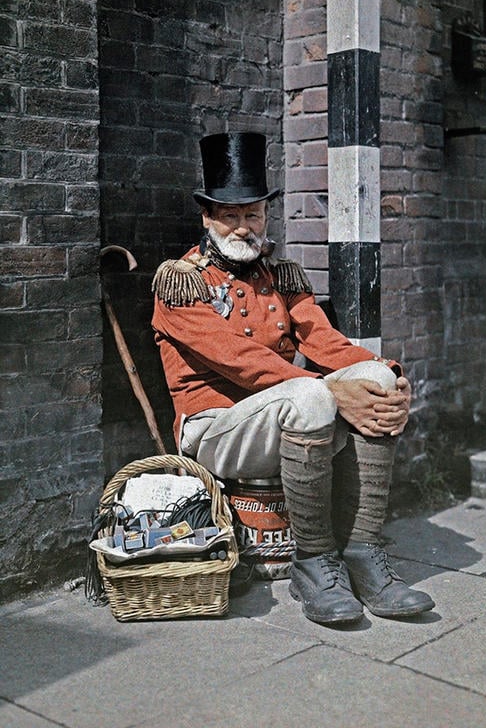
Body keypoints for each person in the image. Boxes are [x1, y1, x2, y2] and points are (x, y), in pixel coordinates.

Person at [151, 132, 435, 626]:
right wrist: (331, 390)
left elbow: (324, 340)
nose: (244, 228)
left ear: (266, 216)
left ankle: (364, 551)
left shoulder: (281, 275)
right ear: (207, 218)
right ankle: (314, 562)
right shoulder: (181, 280)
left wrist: (388, 374)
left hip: (283, 416)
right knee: (309, 392)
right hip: (216, 430)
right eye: (231, 216)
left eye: (253, 215)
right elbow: (237, 358)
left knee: (372, 379)